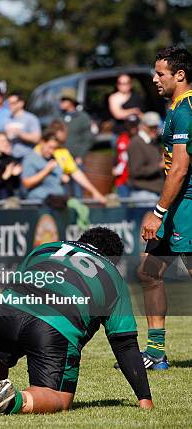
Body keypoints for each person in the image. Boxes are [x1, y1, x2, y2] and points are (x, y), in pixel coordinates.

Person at [0, 227, 153, 416]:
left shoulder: (46, 248)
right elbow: (124, 344)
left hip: (6, 311)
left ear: (81, 241)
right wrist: (145, 399)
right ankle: (12, 401)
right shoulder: (113, 275)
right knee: (60, 397)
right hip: (53, 325)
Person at [137, 47, 192, 370]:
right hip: (176, 204)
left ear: (180, 75)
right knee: (148, 272)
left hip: (186, 204)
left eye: (160, 73)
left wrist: (157, 212)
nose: (154, 78)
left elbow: (180, 169)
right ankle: (156, 352)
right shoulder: (174, 107)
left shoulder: (186, 109)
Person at [127, 112, 165, 200]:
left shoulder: (153, 142)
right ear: (142, 126)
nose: (155, 129)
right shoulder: (136, 143)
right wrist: (160, 165)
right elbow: (136, 171)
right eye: (151, 127)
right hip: (143, 193)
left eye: (156, 126)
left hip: (155, 192)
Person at [21, 133, 65, 201]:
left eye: (54, 148)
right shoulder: (30, 159)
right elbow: (26, 183)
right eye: (50, 147)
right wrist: (46, 170)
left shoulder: (53, 158)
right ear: (42, 142)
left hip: (58, 202)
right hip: (40, 203)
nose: (51, 151)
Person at [59, 88, 93, 164]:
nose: (61, 102)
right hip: (59, 156)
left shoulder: (82, 117)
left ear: (71, 101)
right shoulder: (59, 117)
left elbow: (88, 139)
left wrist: (80, 155)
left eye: (64, 100)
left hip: (75, 157)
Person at [4, 92, 41, 159]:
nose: (10, 106)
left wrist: (19, 134)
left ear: (21, 103)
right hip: (10, 157)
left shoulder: (31, 118)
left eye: (13, 103)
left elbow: (37, 138)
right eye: (9, 103)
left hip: (28, 157)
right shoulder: (6, 119)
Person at [112, 115, 140, 198]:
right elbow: (116, 154)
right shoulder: (122, 138)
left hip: (136, 179)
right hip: (122, 178)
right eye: (130, 125)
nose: (133, 128)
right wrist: (114, 166)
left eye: (135, 125)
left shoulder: (141, 139)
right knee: (124, 205)